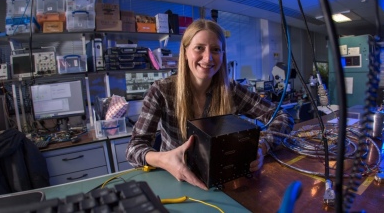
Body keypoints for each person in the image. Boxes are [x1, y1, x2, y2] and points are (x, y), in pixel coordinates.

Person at [126, 19, 293, 190]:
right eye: (199, 48)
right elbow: (134, 149)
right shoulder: (161, 91)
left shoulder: (232, 90)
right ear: (185, 51)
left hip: (224, 182)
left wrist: (261, 147)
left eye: (215, 50)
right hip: (176, 185)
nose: (207, 58)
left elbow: (283, 117)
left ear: (223, 54)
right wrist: (164, 159)